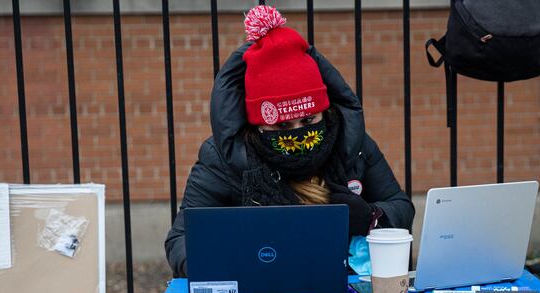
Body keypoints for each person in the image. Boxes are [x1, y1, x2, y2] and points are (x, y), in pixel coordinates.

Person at [165, 5, 414, 277]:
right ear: (257, 124)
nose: (297, 133)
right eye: (282, 126)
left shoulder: (351, 144)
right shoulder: (223, 158)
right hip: (259, 291)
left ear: (325, 111)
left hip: (343, 288)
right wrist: (225, 266)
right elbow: (182, 239)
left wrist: (371, 217)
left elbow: (400, 206)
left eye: (308, 121)